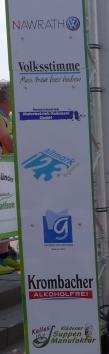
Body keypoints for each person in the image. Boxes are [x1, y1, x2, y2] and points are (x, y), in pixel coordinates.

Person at [0, 80, 19, 274]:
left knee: (5, 214)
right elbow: (8, 142)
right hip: (2, 170)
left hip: (7, 172)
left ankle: (5, 255)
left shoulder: (9, 116)